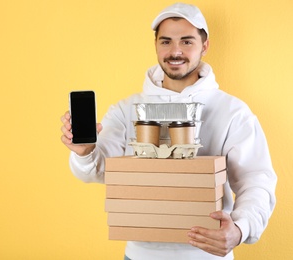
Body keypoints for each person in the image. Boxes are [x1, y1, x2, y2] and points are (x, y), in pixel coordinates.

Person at [60, 3, 277, 259]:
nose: (175, 51)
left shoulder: (232, 112)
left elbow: (257, 181)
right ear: (155, 45)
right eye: (166, 42)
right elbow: (96, 171)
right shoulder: (126, 109)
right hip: (139, 254)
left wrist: (240, 229)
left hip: (206, 255)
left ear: (204, 46)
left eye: (186, 42)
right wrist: (85, 153)